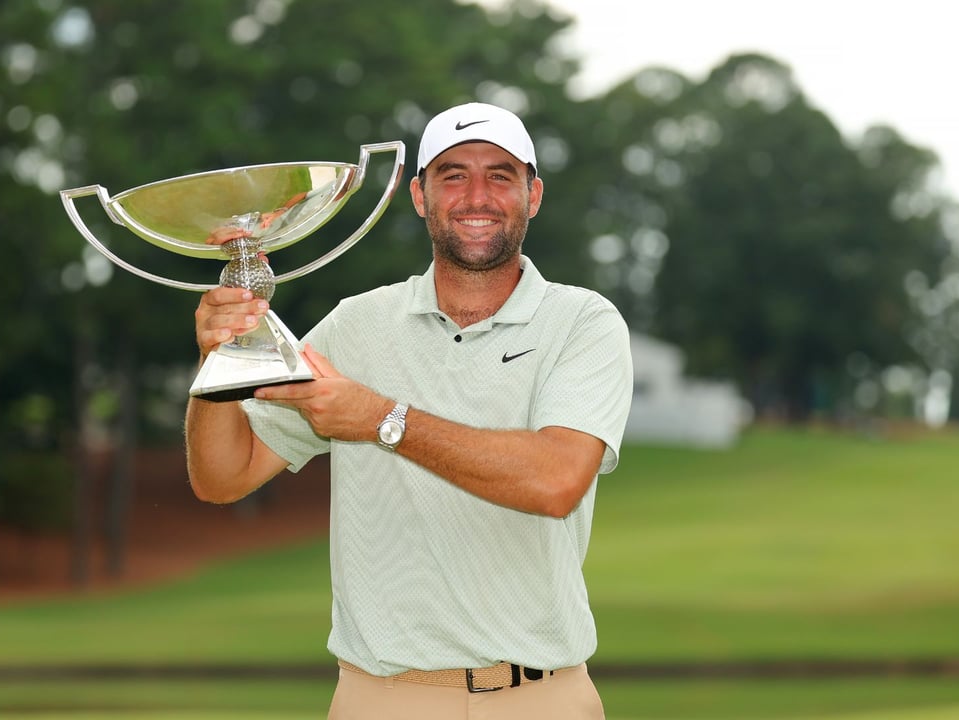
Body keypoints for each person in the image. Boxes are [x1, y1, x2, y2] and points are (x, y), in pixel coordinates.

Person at [185, 101, 633, 719]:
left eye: (499, 175)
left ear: (533, 195)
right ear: (421, 196)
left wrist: (381, 420)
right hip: (380, 699)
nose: (477, 195)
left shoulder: (582, 321)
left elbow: (555, 480)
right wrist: (216, 360)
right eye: (453, 175)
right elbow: (222, 476)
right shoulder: (356, 325)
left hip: (541, 697)